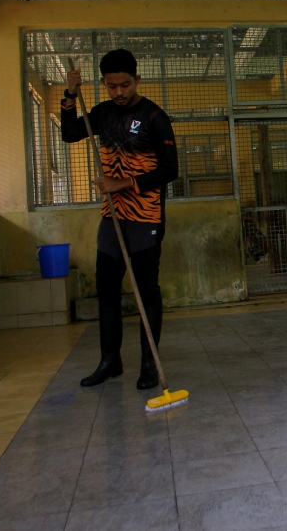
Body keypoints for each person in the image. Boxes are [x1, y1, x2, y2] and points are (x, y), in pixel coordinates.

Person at [61, 49, 178, 389]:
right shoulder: (102, 114)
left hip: (145, 216)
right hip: (112, 217)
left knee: (145, 290)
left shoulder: (154, 116)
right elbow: (70, 133)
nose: (119, 93)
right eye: (112, 87)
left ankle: (148, 365)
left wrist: (122, 184)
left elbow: (170, 170)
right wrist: (70, 94)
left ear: (136, 80)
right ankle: (109, 361)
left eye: (125, 85)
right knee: (106, 289)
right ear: (104, 84)